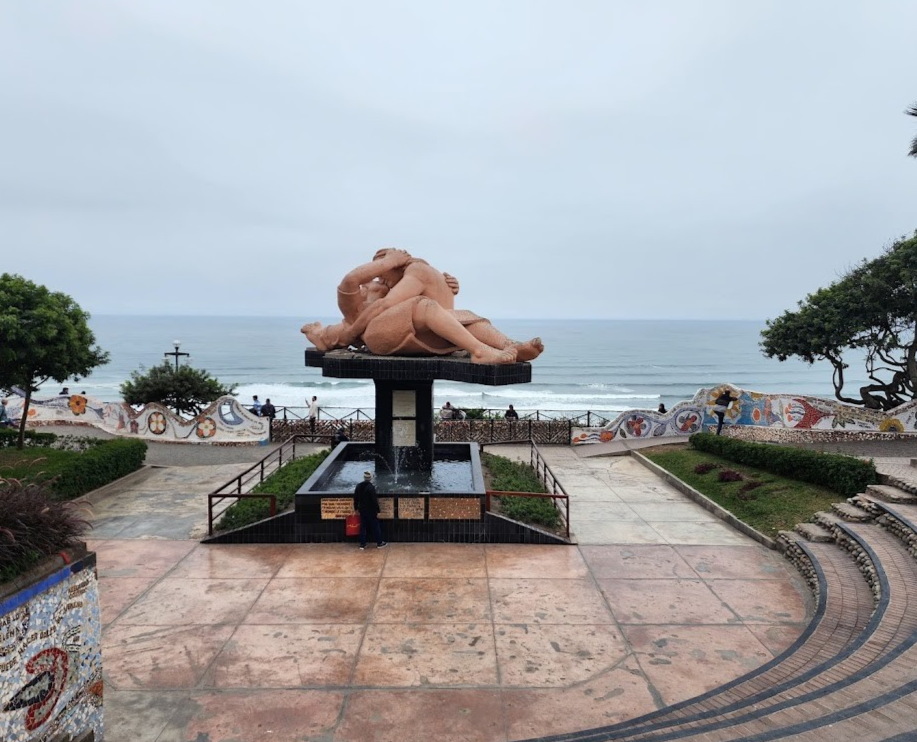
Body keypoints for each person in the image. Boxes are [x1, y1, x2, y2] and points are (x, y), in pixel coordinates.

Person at [301, 248, 544, 364]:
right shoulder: (358, 299)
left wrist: (445, 285)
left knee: (464, 317)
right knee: (424, 305)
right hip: (377, 336)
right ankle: (480, 351)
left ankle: (509, 345)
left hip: (403, 334)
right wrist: (389, 262)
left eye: (384, 275)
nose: (381, 280)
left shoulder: (396, 295)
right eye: (377, 276)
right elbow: (351, 280)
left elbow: (436, 311)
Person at [353, 471, 386, 550]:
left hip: (362, 510)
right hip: (371, 511)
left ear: (364, 478)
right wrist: (378, 511)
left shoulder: (358, 486)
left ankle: (362, 544)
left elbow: (355, 498)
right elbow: (374, 501)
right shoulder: (371, 487)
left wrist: (356, 509)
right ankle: (379, 543)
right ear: (371, 478)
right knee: (375, 526)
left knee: (363, 527)